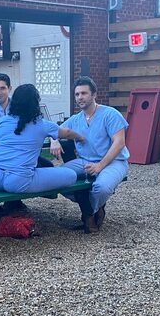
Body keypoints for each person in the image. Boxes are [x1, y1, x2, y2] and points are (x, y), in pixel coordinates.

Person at [52, 76, 129, 233]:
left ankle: (88, 214)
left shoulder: (110, 114)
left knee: (101, 188)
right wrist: (54, 140)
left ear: (94, 94)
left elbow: (119, 143)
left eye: (84, 93)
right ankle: (94, 207)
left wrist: (100, 165)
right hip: (84, 162)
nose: (80, 97)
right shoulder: (75, 120)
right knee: (55, 178)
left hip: (113, 162)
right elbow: (54, 130)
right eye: (77, 94)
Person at [0, 84, 84, 196]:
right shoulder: (42, 124)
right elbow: (67, 133)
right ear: (35, 103)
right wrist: (80, 137)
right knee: (71, 174)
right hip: (18, 181)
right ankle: (52, 194)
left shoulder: (2, 121)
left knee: (40, 167)